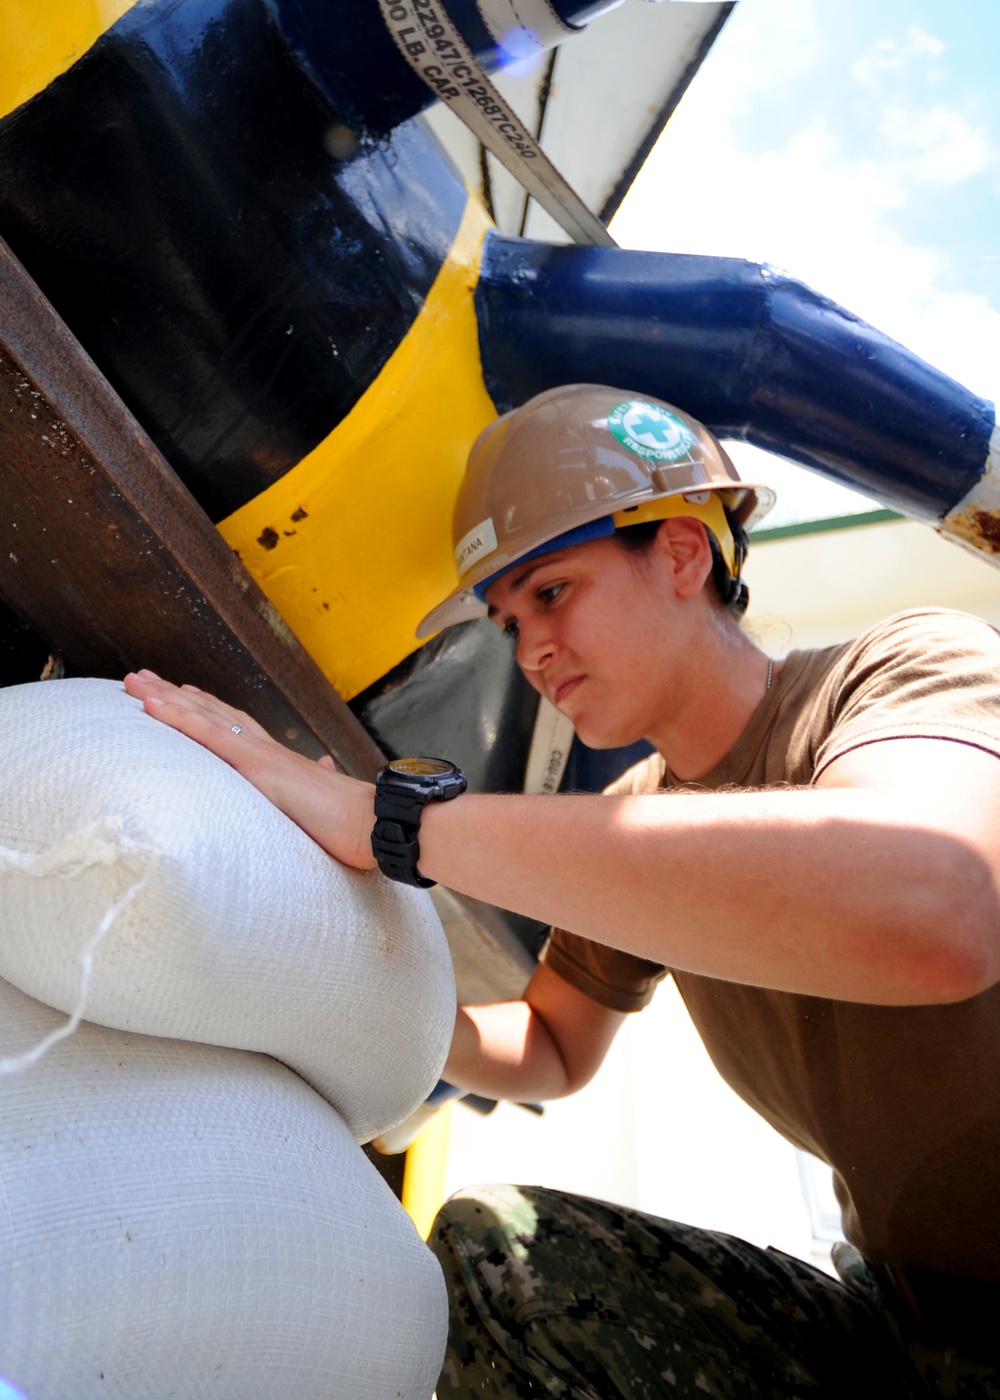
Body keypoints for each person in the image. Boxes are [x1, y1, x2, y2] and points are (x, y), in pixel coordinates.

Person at [125, 384, 1000, 1398]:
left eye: (552, 591)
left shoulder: (904, 668)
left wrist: (391, 820)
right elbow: (548, 1045)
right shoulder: (641, 809)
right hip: (904, 1326)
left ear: (680, 551)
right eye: (508, 620)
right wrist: (327, 985)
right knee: (503, 1261)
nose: (531, 649)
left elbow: (934, 906)